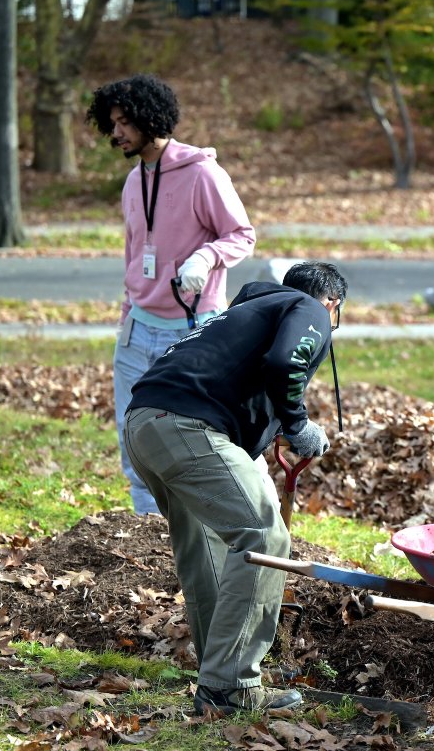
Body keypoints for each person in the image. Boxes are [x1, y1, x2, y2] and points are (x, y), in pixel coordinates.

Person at [122, 261, 347, 716]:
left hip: (144, 424)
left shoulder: (243, 313)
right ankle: (233, 685)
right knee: (265, 537)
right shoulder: (310, 308)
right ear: (333, 303)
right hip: (188, 427)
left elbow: (232, 380)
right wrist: (298, 425)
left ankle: (218, 678)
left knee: (204, 549)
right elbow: (285, 362)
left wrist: (267, 430)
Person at [85, 74, 257, 515]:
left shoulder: (202, 173)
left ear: (150, 118)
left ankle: (206, 530)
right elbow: (132, 258)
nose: (117, 133)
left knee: (193, 447)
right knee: (134, 443)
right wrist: (126, 320)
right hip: (136, 332)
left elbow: (242, 235)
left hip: (192, 332)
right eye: (112, 124)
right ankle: (149, 534)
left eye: (124, 122)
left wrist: (205, 257)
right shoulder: (133, 181)